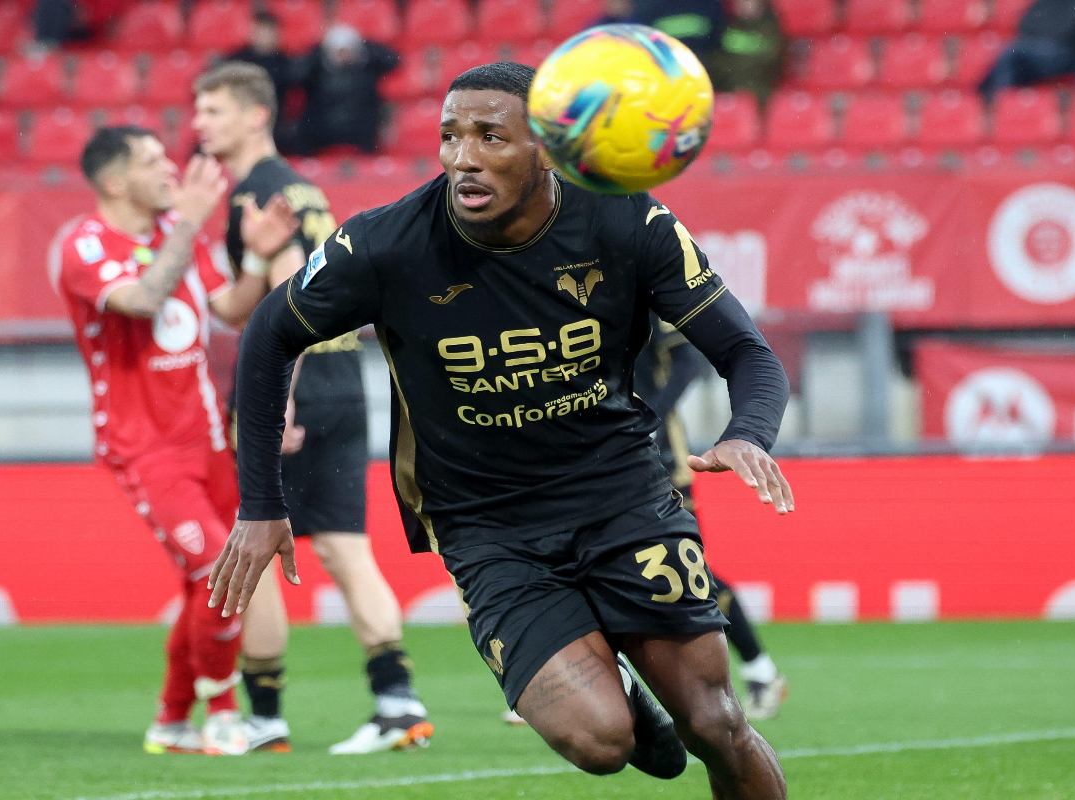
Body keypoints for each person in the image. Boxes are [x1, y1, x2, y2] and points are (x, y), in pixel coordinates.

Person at [210, 61, 793, 795]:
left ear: (545, 147)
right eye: (450, 135)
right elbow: (270, 332)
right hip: (487, 526)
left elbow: (746, 352)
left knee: (714, 722)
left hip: (622, 499)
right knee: (600, 741)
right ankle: (619, 689)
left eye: (491, 136)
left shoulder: (625, 220)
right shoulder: (387, 244)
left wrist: (749, 432)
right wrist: (261, 505)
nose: (463, 157)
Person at [192, 61, 432, 755]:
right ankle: (398, 703)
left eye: (213, 110)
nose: (201, 123)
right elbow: (253, 299)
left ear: (255, 116)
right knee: (346, 549)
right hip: (343, 379)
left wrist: (279, 407)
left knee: (257, 548)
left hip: (291, 388)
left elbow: (284, 309)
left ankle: (265, 717)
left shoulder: (258, 192)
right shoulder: (299, 188)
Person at [51, 125, 297, 756]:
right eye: (152, 162)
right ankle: (223, 712)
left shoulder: (171, 231)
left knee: (209, 583)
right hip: (146, 447)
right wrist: (188, 222)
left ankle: (171, 719)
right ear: (115, 182)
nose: (171, 171)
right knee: (217, 571)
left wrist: (259, 260)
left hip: (208, 438)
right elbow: (142, 299)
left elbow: (229, 309)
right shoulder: (83, 244)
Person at [634, 317, 787, 720]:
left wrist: (649, 417)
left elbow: (688, 363)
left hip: (660, 459)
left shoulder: (642, 294)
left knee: (687, 571)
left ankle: (760, 669)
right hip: (595, 460)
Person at [294, 23, 399, 155]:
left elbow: (393, 60)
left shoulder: (367, 69)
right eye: (339, 51)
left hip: (359, 129)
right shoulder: (316, 71)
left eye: (348, 50)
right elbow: (294, 75)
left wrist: (367, 47)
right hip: (324, 129)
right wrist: (316, 53)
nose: (344, 56)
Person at [978, 0, 1075, 98]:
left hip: (1063, 54)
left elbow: (1069, 34)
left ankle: (996, 98)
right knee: (1010, 52)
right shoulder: (1043, 3)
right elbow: (1024, 24)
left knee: (1012, 53)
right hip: (1040, 48)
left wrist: (1043, 35)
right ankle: (990, 98)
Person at [224, 10, 296, 150]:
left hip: (274, 123)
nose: (264, 37)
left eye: (268, 32)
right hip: (240, 118)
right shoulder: (236, 60)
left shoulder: (285, 62)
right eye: (260, 31)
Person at [705, 0, 785, 109]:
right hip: (728, 88)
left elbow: (772, 60)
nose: (744, 5)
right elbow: (718, 59)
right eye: (740, 2)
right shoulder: (728, 28)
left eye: (749, 2)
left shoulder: (771, 29)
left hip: (759, 92)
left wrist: (735, 65)